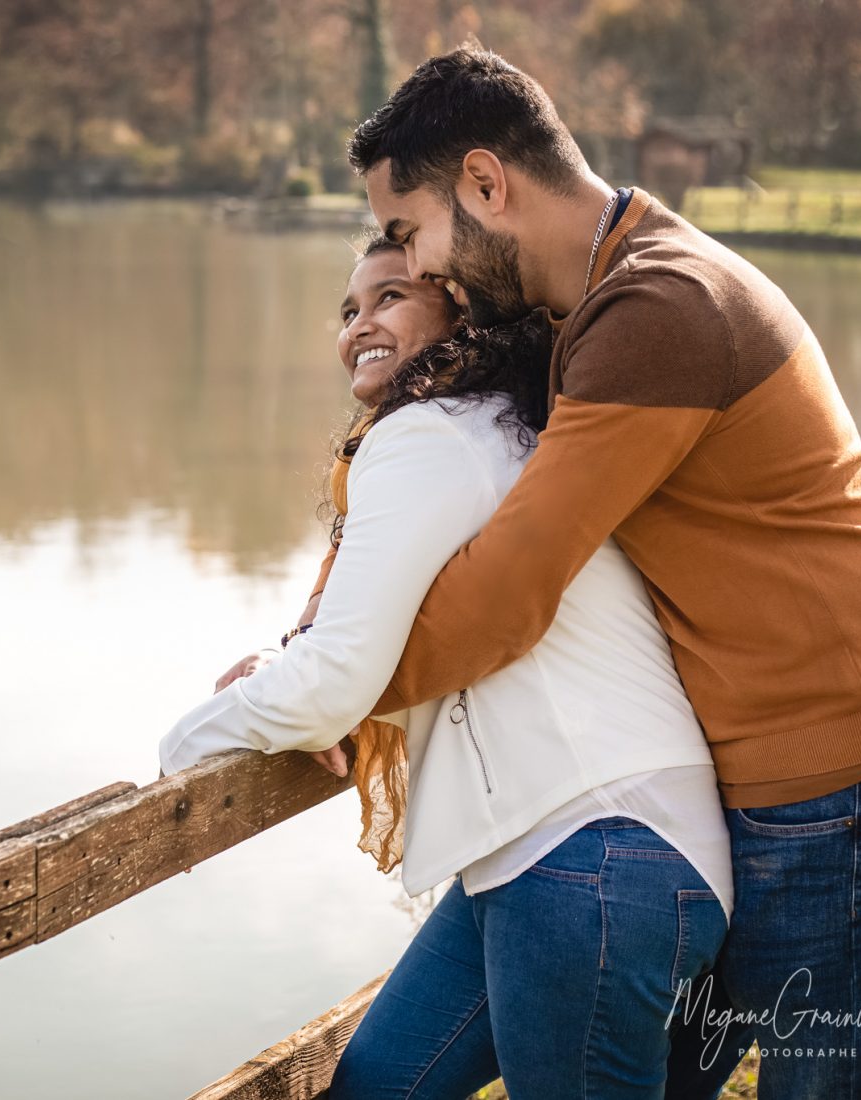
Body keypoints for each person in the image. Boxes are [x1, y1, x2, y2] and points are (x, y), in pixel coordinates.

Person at [317, 45, 861, 1098]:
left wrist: (328, 688)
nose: (418, 272)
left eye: (412, 233)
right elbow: (450, 498)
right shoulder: (592, 301)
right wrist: (322, 629)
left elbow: (509, 586)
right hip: (750, 779)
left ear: (484, 183)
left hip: (839, 779)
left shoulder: (655, 308)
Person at [159, 235, 733, 1098]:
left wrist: (181, 748)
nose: (360, 326)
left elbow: (333, 681)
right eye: (349, 310)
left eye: (390, 297)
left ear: (460, 309)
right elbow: (378, 642)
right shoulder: (502, 431)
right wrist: (298, 670)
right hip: (574, 859)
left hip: (588, 857)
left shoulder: (429, 436)